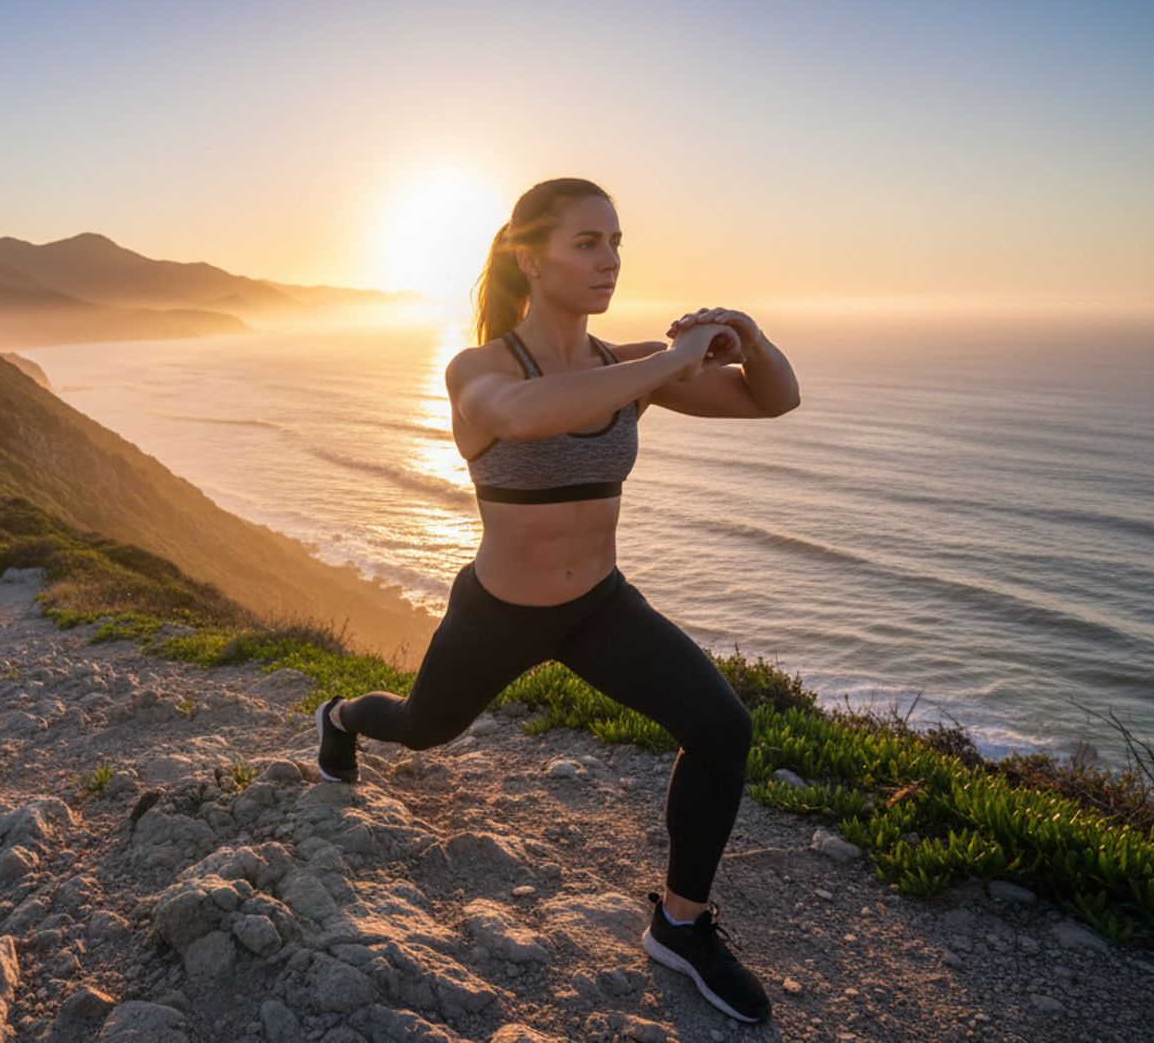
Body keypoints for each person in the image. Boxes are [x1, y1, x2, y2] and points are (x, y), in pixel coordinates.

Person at [313, 177, 800, 1025]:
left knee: (724, 728)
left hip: (599, 608)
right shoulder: (482, 370)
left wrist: (750, 338)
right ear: (529, 258)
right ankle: (342, 718)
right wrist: (673, 357)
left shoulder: (627, 368)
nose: (609, 260)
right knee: (425, 727)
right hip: (499, 609)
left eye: (617, 242)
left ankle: (680, 927)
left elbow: (775, 398)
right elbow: (530, 415)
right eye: (587, 243)